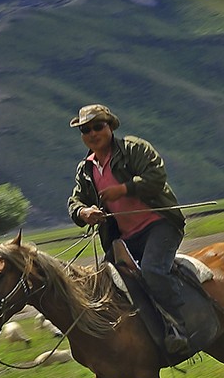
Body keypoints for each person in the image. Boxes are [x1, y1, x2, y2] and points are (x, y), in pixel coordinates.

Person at [66, 104, 191, 358]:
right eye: (86, 129)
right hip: (123, 238)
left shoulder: (134, 148)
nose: (92, 133)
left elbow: (156, 176)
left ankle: (181, 326)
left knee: (153, 271)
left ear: (110, 126)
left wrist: (123, 189)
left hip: (159, 225)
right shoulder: (86, 169)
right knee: (106, 287)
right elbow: (74, 202)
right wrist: (83, 213)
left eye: (98, 126)